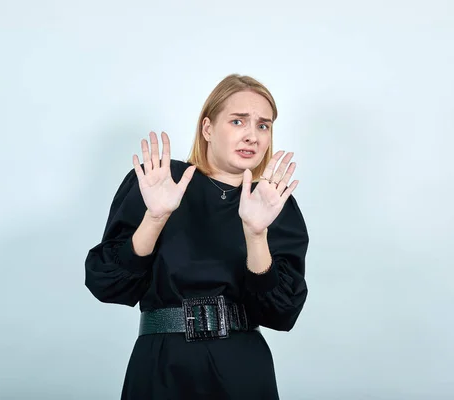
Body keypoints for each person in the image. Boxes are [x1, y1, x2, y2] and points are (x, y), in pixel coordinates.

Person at [85, 74, 309, 399]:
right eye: (237, 121)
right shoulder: (162, 180)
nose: (252, 136)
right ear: (208, 129)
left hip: (241, 369)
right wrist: (156, 216)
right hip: (163, 365)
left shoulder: (272, 201)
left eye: (263, 125)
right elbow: (107, 284)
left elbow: (281, 313)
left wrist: (256, 233)